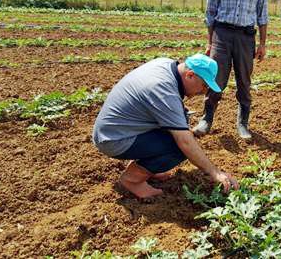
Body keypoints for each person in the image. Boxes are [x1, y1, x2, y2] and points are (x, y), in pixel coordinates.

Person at [92, 54, 239, 199]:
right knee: (179, 147)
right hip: (114, 139)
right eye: (204, 85)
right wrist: (215, 172)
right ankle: (132, 180)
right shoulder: (163, 89)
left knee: (180, 121)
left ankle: (147, 168)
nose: (204, 91)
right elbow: (185, 142)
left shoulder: (166, 65)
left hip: (116, 128)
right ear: (190, 75)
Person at [192, 0, 268, 140]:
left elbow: (263, 15)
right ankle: (206, 119)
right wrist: (210, 42)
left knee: (244, 80)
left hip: (246, 36)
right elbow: (210, 13)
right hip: (222, 34)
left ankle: (243, 124)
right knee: (216, 78)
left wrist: (262, 44)